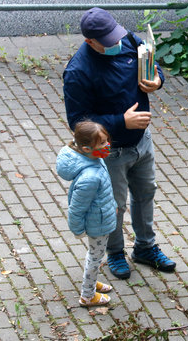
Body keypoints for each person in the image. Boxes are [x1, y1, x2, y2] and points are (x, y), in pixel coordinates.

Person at [63, 7, 176, 280]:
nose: (117, 44)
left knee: (146, 193)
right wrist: (120, 122)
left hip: (141, 142)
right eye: (108, 41)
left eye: (117, 37)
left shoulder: (125, 40)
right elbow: (78, 123)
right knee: (114, 205)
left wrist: (157, 79)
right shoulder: (78, 72)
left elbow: (148, 59)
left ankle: (145, 248)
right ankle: (114, 252)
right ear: (90, 41)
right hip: (110, 152)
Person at [56, 121, 117, 307]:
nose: (107, 146)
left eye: (107, 141)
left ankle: (91, 280)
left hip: (101, 217)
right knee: (95, 257)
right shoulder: (90, 177)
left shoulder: (93, 159)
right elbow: (77, 207)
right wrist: (78, 230)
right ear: (86, 148)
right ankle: (88, 295)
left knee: (94, 255)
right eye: (102, 144)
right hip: (96, 224)